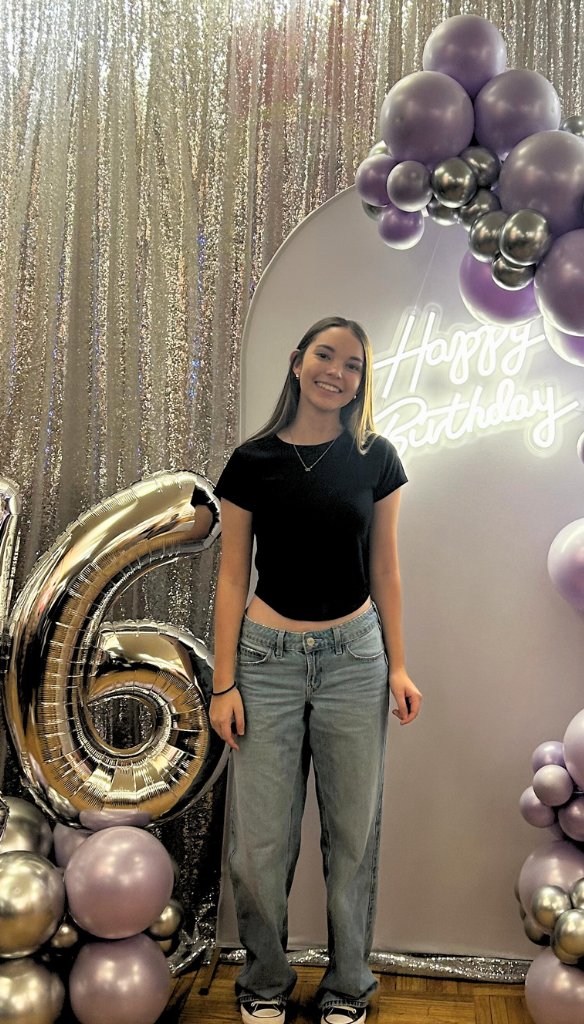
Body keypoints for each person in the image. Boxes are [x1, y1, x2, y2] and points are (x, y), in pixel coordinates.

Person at [209, 316, 421, 1024]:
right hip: (264, 663)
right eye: (325, 356)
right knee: (257, 847)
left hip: (355, 660)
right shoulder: (252, 462)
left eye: (353, 364)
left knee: (352, 838)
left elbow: (385, 570)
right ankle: (264, 983)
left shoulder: (377, 457)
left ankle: (349, 988)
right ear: (297, 362)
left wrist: (399, 666)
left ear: (362, 381)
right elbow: (233, 578)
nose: (338, 371)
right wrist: (224, 682)